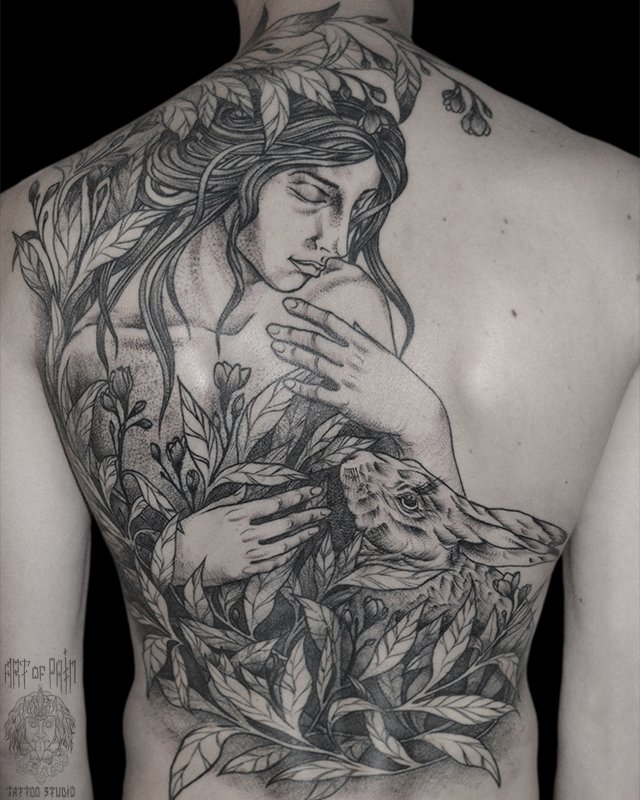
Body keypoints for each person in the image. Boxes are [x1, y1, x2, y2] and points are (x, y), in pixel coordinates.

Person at [1, 3, 637, 800]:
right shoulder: (619, 216)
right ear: (243, 173)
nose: (336, 242)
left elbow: (32, 730)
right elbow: (615, 729)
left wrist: (422, 427)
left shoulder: (30, 232)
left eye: (359, 210)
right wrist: (180, 556)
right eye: (311, 192)